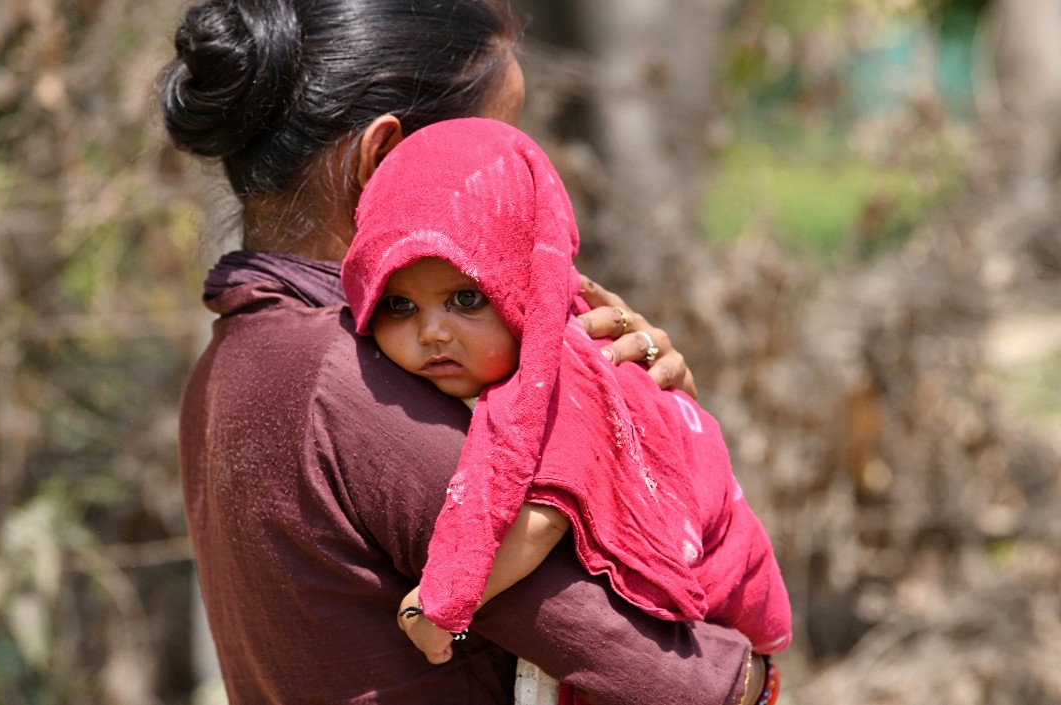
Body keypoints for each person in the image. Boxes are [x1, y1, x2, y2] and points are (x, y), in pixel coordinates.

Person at [160, 0, 769, 702]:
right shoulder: (361, 389)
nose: (519, 176)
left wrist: (641, 410)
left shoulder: (231, 361)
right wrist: (760, 677)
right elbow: (681, 680)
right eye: (496, 142)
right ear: (384, 163)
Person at [341, 117, 789, 702]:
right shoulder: (501, 368)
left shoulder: (565, 374)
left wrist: (438, 604)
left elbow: (545, 512)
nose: (431, 333)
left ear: (526, 285)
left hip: (718, 608)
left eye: (466, 298)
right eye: (399, 305)